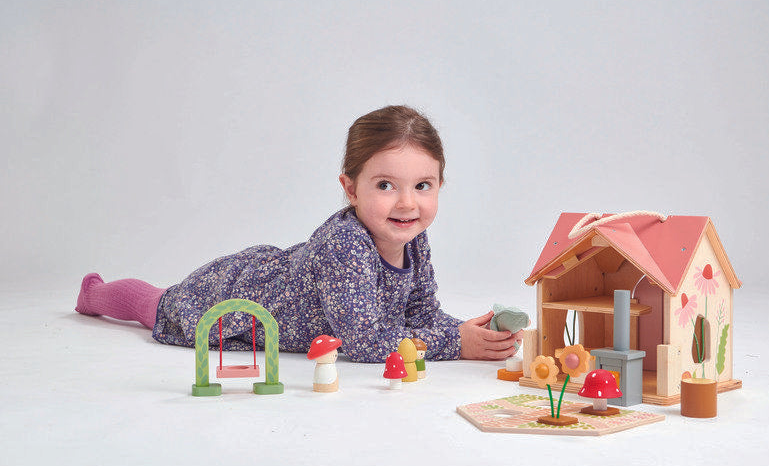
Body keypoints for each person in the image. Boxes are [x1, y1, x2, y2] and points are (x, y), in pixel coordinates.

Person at [75, 105, 522, 362]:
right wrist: (454, 344)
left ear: (440, 185)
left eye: (422, 186)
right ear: (351, 189)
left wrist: (468, 331)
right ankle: (93, 294)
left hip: (283, 279)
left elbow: (420, 313)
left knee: (161, 302)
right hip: (239, 296)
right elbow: (363, 342)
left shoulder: (412, 237)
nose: (407, 203)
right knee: (159, 304)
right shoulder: (346, 245)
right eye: (386, 185)